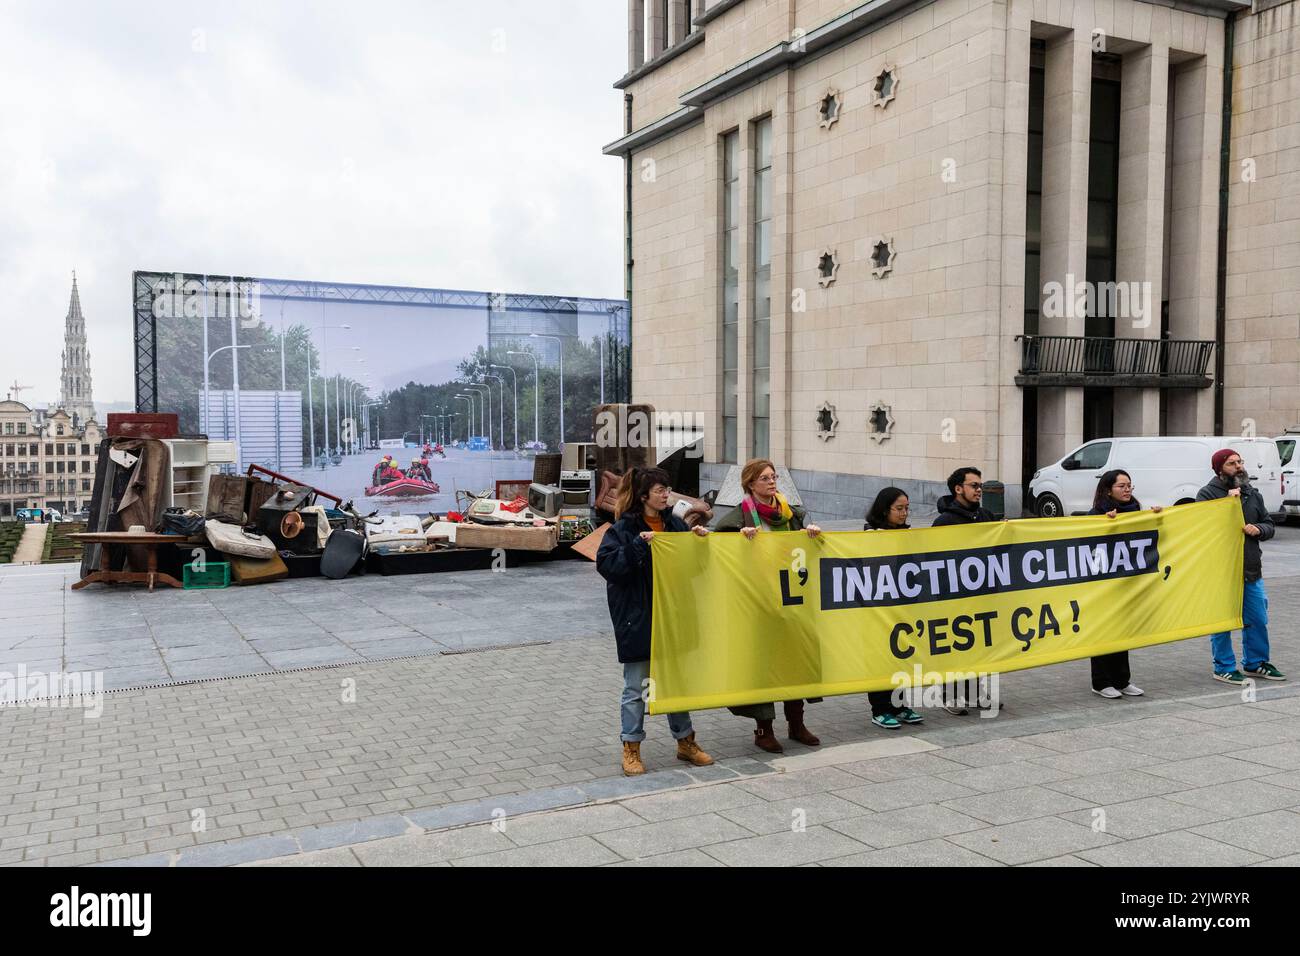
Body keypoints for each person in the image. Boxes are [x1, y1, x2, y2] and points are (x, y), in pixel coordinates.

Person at [596, 466, 716, 776]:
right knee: (636, 687)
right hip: (638, 620)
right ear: (644, 495)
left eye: (667, 489)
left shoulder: (675, 525)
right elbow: (608, 566)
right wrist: (639, 545)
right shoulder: (622, 529)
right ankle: (631, 747)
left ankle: (685, 742)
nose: (666, 495)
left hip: (673, 618)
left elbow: (695, 569)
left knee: (675, 684)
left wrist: (699, 544)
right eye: (661, 490)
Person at [714, 459, 824, 752]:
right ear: (751, 484)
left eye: (773, 477)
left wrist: (813, 536)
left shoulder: (792, 515)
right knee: (763, 665)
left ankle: (796, 723)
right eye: (764, 478)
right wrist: (737, 542)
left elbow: (808, 553)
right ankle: (763, 729)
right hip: (758, 604)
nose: (772, 482)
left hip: (792, 600)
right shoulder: (739, 518)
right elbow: (719, 554)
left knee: (794, 660)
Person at [1197, 449, 1286, 685]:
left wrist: (1260, 529)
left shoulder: (1252, 494)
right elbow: (1201, 529)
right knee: (1222, 620)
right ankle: (1224, 666)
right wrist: (1228, 505)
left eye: (1240, 462)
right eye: (1231, 463)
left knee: (1257, 617)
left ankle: (1255, 663)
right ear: (1218, 469)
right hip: (1220, 571)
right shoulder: (1207, 494)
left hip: (1250, 568)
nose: (1238, 466)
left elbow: (1268, 524)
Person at [1086, 470, 1161, 699]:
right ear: (1108, 489)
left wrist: (1156, 517)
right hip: (1102, 584)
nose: (1127, 489)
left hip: (1126, 582)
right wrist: (1103, 526)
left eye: (1129, 485)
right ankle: (1101, 682)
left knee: (1122, 631)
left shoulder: (1135, 511)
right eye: (1122, 486)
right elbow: (1086, 549)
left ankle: (1122, 680)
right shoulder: (1096, 514)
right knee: (1103, 632)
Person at [932, 466, 997, 715]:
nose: (979, 490)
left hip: (982, 593)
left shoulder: (987, 516)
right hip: (954, 595)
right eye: (974, 485)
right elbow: (935, 560)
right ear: (958, 489)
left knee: (978, 645)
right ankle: (950, 695)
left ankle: (974, 692)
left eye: (980, 485)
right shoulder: (944, 522)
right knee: (956, 646)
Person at [864, 488, 926, 730]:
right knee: (881, 657)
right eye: (899, 509)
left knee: (901, 654)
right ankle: (879, 709)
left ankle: (899, 705)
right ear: (884, 509)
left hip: (903, 605)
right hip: (879, 606)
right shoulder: (870, 534)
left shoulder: (907, 533)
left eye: (906, 508)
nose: (904, 513)